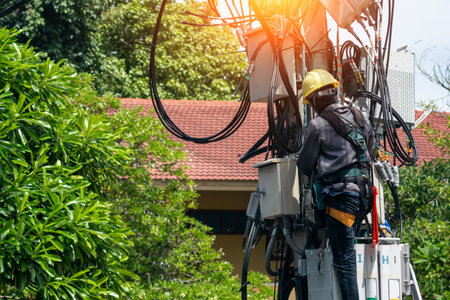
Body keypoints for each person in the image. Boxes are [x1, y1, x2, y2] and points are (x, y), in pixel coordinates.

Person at [297, 69, 377, 300]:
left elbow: (304, 166)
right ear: (335, 91)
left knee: (344, 260)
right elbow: (371, 151)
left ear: (313, 100)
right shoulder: (360, 116)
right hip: (364, 197)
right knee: (347, 248)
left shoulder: (318, 125)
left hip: (342, 200)